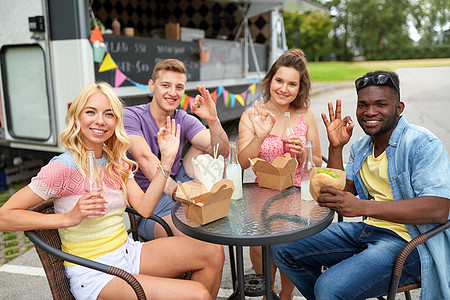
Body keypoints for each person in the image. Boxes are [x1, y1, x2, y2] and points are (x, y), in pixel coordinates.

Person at [0, 82, 224, 300]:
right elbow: (5, 217)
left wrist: (166, 160)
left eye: (108, 114)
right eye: (91, 112)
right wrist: (68, 218)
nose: (100, 120)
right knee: (198, 294)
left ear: (116, 121)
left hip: (127, 253)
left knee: (212, 251)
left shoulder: (115, 161)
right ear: (77, 117)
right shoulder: (63, 167)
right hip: (94, 271)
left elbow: (145, 208)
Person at [272, 70, 450, 300]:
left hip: (410, 244)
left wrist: (362, 207)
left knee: (328, 288)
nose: (370, 112)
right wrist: (335, 147)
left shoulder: (421, 143)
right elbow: (340, 190)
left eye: (380, 104)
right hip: (368, 232)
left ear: (399, 108)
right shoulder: (362, 146)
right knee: (283, 247)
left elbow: (438, 209)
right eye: (362, 105)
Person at [237, 49, 322, 300]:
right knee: (259, 244)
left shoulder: (305, 115)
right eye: (279, 81)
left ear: (300, 87)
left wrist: (303, 154)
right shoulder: (252, 115)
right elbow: (242, 162)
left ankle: (285, 294)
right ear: (270, 80)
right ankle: (268, 293)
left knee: (289, 244)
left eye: (292, 84)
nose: (284, 89)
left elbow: (316, 161)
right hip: (261, 191)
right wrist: (260, 135)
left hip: (297, 191)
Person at [123, 59, 229, 240]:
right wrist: (181, 193)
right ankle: (196, 204)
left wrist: (213, 121)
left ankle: (205, 200)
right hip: (149, 204)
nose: (173, 93)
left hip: (175, 184)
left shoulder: (182, 117)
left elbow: (220, 152)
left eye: (179, 87)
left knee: (204, 148)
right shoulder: (131, 116)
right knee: (196, 236)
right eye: (166, 85)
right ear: (151, 85)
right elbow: (145, 158)